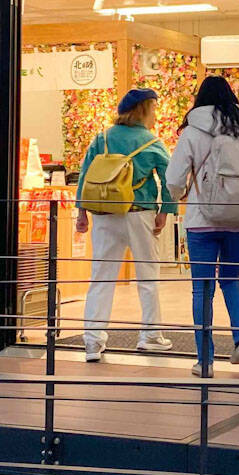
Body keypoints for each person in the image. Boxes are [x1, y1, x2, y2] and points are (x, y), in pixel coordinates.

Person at [167, 76, 239, 377]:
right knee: (232, 280)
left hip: (202, 220)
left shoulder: (193, 132)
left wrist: (178, 195)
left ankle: (205, 361)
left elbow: (173, 178)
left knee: (202, 289)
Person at [75, 88, 176, 362]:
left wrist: (81, 211)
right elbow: (169, 180)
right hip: (139, 214)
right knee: (148, 276)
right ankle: (150, 336)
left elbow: (85, 174)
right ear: (144, 110)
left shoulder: (102, 138)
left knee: (101, 277)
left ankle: (93, 341)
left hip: (104, 213)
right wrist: (165, 211)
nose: (155, 114)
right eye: (153, 109)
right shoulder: (152, 142)